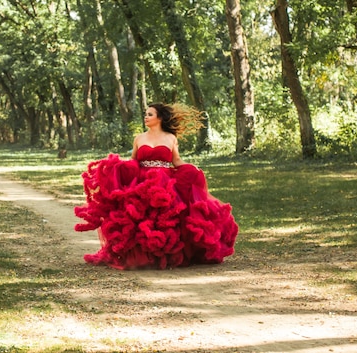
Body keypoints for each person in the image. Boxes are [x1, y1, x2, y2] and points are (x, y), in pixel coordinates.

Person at [74, 103, 238, 270]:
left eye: (150, 114)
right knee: (142, 218)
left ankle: (167, 253)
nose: (146, 117)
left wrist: (192, 169)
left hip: (166, 182)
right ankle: (145, 255)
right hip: (143, 182)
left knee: (167, 218)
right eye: (145, 114)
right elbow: (134, 161)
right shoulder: (139, 138)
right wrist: (118, 168)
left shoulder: (171, 138)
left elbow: (176, 161)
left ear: (159, 118)